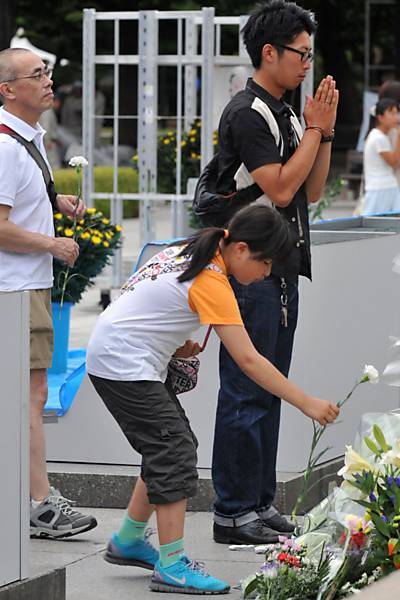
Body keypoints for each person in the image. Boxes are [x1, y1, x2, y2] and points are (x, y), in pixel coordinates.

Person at [86, 203, 339, 596]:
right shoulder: (213, 280)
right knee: (173, 451)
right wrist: (306, 402)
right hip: (124, 363)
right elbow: (250, 360)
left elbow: (146, 296)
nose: (267, 274)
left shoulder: (195, 248)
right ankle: (172, 565)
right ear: (240, 249)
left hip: (121, 353)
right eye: (266, 263)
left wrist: (172, 342)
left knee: (167, 446)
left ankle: (129, 540)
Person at [208, 0, 339, 545]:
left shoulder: (287, 113)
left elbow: (310, 190)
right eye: (300, 54)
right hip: (248, 273)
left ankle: (259, 505)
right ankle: (232, 511)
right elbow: (279, 187)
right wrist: (313, 129)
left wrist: (323, 134)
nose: (307, 64)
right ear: (270, 52)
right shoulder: (248, 112)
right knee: (244, 390)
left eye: (311, 55)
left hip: (280, 270)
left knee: (270, 390)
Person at [0, 48, 97, 538]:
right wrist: (53, 244)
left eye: (47, 73)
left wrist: (50, 200)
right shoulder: (5, 145)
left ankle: (34, 496)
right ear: (7, 89)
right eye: (36, 75)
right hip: (16, 287)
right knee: (29, 396)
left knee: (28, 394)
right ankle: (39, 503)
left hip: (23, 284)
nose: (47, 81)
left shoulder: (22, 139)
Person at [362, 98, 400, 215]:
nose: (396, 117)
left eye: (397, 113)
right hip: (381, 188)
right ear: (380, 117)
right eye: (391, 113)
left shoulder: (382, 135)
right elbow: (394, 162)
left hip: (383, 187)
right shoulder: (378, 137)